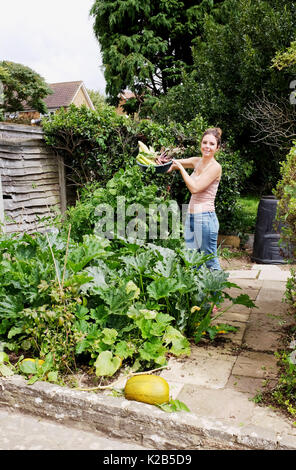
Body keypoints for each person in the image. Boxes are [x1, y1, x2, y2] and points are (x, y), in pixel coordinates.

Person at [168, 127, 222, 271]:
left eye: (211, 144)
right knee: (193, 263)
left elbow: (195, 188)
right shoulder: (196, 161)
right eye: (205, 142)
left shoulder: (215, 167)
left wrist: (181, 169)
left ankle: (217, 293)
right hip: (191, 217)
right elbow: (173, 163)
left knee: (210, 262)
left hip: (205, 219)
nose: (207, 147)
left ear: (217, 147)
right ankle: (199, 294)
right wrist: (159, 164)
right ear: (201, 144)